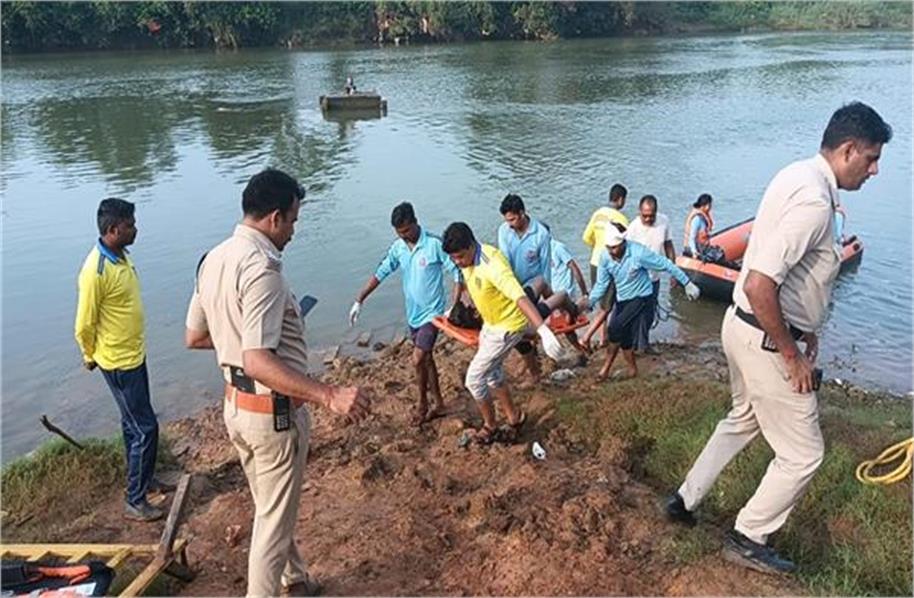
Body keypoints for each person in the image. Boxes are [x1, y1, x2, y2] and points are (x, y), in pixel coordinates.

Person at [664, 102, 891, 575]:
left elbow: (778, 277)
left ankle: (684, 501)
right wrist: (791, 353)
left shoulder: (797, 174)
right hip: (765, 340)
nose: (875, 169)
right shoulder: (813, 203)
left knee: (742, 418)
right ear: (847, 150)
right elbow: (759, 282)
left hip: (740, 327)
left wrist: (804, 332)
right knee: (804, 454)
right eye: (870, 158)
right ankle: (750, 534)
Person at [185, 168, 371, 597]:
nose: (293, 231)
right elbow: (257, 360)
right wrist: (330, 394)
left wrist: (244, 341)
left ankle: (296, 579)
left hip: (236, 410)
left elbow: (194, 337)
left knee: (272, 506)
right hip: (273, 417)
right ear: (273, 217)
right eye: (292, 220)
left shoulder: (213, 259)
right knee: (270, 524)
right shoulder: (262, 269)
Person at [75, 198, 170, 522]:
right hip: (117, 362)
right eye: (130, 224)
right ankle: (135, 500)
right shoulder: (95, 271)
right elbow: (84, 323)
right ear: (113, 229)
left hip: (133, 354)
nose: (136, 229)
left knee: (132, 424)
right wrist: (90, 356)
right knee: (146, 428)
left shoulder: (121, 257)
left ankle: (142, 478)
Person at [442, 222, 566, 444]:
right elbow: (471, 286)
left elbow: (520, 297)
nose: (458, 262)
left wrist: (543, 330)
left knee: (473, 379)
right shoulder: (467, 261)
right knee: (492, 373)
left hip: (507, 327)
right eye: (454, 259)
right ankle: (515, 417)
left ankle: (490, 425)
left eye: (460, 257)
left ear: (471, 246)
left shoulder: (494, 265)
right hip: (491, 323)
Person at [349, 202, 462, 425]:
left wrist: (454, 305)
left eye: (406, 231)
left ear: (415, 222)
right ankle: (439, 403)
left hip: (434, 315)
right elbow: (381, 272)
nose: (404, 236)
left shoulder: (434, 244)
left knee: (418, 359)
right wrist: (359, 299)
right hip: (413, 315)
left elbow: (457, 273)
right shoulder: (398, 248)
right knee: (427, 360)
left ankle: (422, 405)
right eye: (399, 233)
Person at [579, 228, 699, 380]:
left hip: (642, 297)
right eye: (609, 248)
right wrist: (590, 301)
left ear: (623, 243)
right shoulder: (605, 257)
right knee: (625, 337)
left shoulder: (638, 253)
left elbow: (665, 264)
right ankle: (632, 370)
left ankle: (605, 370)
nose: (612, 251)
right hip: (623, 298)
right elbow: (601, 284)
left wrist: (687, 282)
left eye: (615, 247)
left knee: (614, 328)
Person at [496, 193, 554, 380]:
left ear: (522, 213)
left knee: (519, 327)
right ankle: (533, 364)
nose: (510, 224)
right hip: (511, 285)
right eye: (507, 220)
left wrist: (548, 294)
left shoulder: (541, 235)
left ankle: (534, 366)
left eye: (513, 219)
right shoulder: (504, 231)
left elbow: (545, 269)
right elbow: (504, 261)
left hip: (532, 286)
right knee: (516, 332)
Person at [624, 194, 676, 354]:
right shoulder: (633, 228)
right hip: (636, 278)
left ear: (656, 212)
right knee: (636, 312)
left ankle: (643, 343)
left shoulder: (664, 222)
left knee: (649, 313)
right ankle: (635, 345)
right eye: (644, 216)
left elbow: (669, 247)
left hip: (654, 277)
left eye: (651, 216)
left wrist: (673, 270)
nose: (647, 219)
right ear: (639, 212)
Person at [582, 183, 629, 284]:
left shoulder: (598, 214)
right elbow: (627, 244)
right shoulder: (621, 219)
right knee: (608, 298)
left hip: (595, 261)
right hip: (611, 264)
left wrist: (598, 246)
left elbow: (586, 238)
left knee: (596, 295)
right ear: (621, 199)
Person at [683, 193, 714, 258]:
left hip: (701, 247)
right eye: (710, 205)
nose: (711, 207)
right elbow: (692, 237)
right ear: (705, 205)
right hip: (694, 249)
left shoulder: (703, 217)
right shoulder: (697, 219)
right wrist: (694, 251)